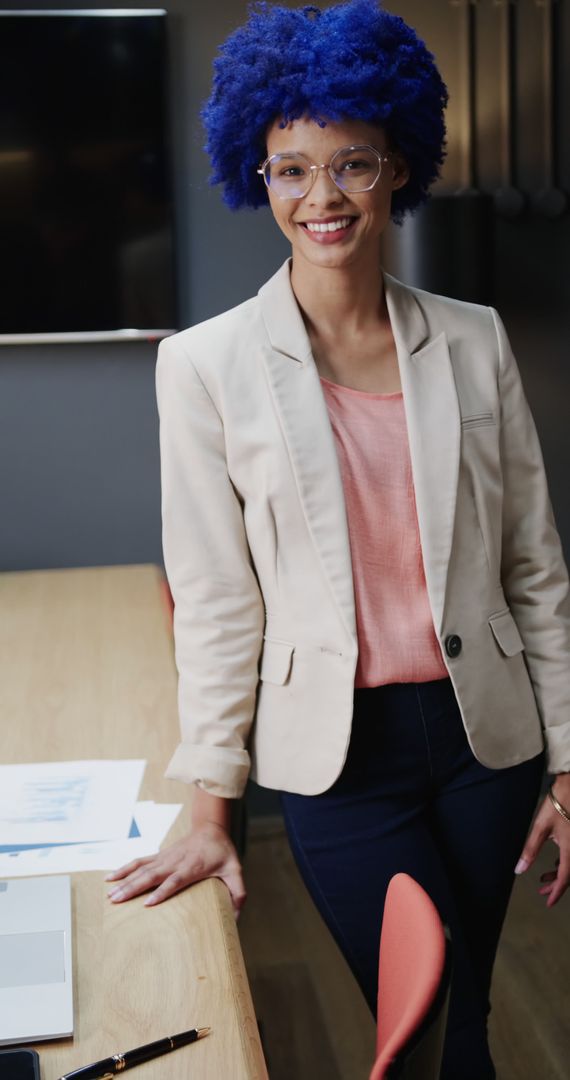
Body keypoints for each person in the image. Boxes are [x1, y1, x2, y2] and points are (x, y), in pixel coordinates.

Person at [105, 2, 570, 1076]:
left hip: (484, 746)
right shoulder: (205, 366)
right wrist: (212, 806)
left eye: (352, 164)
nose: (322, 197)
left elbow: (534, 568)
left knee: (461, 1016)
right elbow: (218, 598)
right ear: (256, 175)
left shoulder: (473, 339)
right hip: (336, 760)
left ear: (397, 166)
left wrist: (566, 766)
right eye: (290, 169)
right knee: (422, 1011)